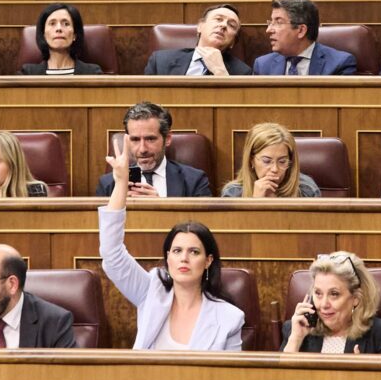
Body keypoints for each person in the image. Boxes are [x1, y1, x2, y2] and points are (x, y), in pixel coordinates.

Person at [99, 147, 246, 351]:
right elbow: (111, 253)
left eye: (194, 252)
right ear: (168, 258)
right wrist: (121, 184)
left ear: (208, 261)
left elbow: (228, 372)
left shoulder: (229, 317)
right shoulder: (151, 291)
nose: (184, 258)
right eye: (177, 251)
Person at [283, 250, 381, 353]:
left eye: (334, 294)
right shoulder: (295, 330)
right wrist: (295, 340)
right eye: (318, 293)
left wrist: (362, 370)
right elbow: (279, 373)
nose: (323, 304)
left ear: (356, 298)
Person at [95, 101, 212, 198]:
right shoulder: (108, 184)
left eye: (150, 139)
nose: (142, 149)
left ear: (167, 139)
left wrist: (160, 206)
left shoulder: (195, 180)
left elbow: (203, 220)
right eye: (135, 139)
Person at [253, 0, 356, 75]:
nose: (268, 30)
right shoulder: (262, 66)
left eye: (278, 22)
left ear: (301, 30)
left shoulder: (339, 64)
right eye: (270, 23)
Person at [145, 3, 251, 75]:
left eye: (231, 25)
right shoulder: (161, 61)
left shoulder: (242, 72)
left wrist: (220, 72)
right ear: (200, 26)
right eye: (218, 19)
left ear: (233, 42)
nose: (223, 25)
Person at [221, 122, 321, 197]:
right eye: (267, 161)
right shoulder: (233, 193)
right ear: (251, 160)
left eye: (282, 161)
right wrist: (255, 202)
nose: (275, 169)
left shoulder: (307, 190)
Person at [21, 2, 101, 74]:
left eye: (66, 24)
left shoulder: (92, 73)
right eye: (52, 23)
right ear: (44, 34)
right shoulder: (28, 73)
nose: (59, 28)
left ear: (74, 35)